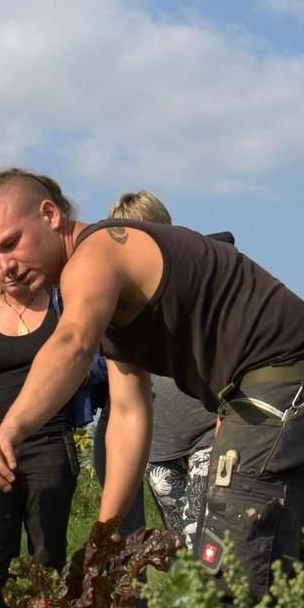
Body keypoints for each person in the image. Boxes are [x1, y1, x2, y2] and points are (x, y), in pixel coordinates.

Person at [0, 168, 304, 608]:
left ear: (50, 215)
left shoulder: (97, 253)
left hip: (284, 389)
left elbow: (72, 343)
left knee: (227, 596)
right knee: (274, 592)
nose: (5, 267)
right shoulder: (110, 300)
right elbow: (130, 415)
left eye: (11, 243)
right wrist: (105, 536)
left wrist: (9, 430)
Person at [0, 255, 102, 608]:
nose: (10, 270)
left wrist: (64, 374)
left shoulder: (63, 307)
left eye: (18, 262)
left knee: (47, 555)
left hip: (50, 443)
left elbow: (96, 365)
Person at [107, 192, 217, 549]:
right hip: (159, 443)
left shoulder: (201, 278)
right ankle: (191, 607)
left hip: (208, 430)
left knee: (211, 542)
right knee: (182, 549)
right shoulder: (120, 298)